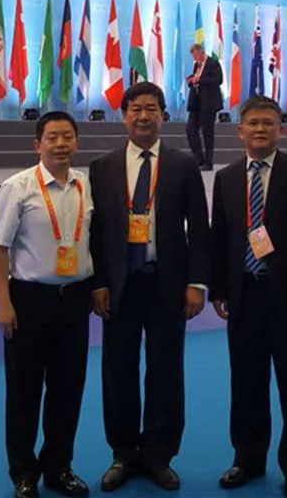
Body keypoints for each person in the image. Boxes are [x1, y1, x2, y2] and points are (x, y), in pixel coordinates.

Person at [89, 82, 210, 492]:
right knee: (117, 371)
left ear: (163, 115)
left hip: (167, 284)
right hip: (119, 286)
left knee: (166, 371)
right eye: (136, 109)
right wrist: (99, 283)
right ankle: (123, 453)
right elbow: (95, 233)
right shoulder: (102, 167)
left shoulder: (183, 164)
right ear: (124, 115)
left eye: (151, 109)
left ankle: (159, 454)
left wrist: (196, 282)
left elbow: (200, 227)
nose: (143, 116)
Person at [210, 96, 287, 498]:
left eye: (268, 123)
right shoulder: (227, 178)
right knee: (246, 382)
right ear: (240, 131)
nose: (260, 129)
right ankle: (247, 459)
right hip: (244, 295)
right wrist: (219, 289)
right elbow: (220, 237)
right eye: (253, 123)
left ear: (281, 129)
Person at [0, 112, 94, 498]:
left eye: (67, 136)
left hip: (75, 301)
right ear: (38, 145)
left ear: (76, 142)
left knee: (68, 390)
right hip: (29, 301)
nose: (60, 144)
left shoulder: (85, 185)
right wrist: (3, 304)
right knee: (25, 391)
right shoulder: (17, 187)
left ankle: (58, 468)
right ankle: (23, 472)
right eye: (52, 137)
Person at [185, 43, 223, 171]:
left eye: (196, 56)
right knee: (190, 130)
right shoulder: (197, 65)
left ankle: (208, 162)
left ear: (202, 53)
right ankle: (198, 159)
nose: (195, 59)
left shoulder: (213, 63)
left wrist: (200, 80)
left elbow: (218, 80)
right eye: (193, 57)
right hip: (196, 103)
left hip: (209, 104)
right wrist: (191, 81)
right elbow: (196, 79)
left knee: (207, 132)